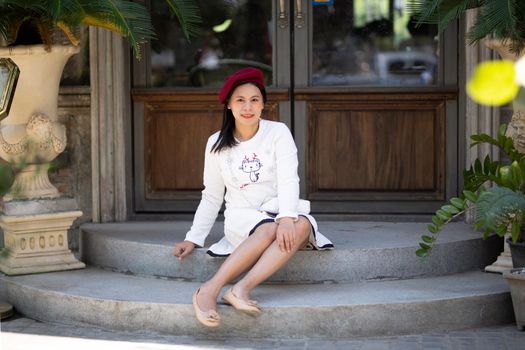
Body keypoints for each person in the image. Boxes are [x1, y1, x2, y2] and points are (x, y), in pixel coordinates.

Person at [173, 67, 333, 327]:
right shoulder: (216, 143)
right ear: (228, 105)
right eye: (240, 100)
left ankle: (240, 289)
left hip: (279, 210)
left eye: (254, 100)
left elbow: (289, 179)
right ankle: (209, 289)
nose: (248, 107)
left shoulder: (278, 132)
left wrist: (288, 217)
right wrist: (193, 237)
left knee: (302, 224)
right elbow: (212, 196)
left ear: (263, 105)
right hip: (242, 217)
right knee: (270, 228)